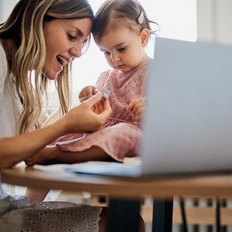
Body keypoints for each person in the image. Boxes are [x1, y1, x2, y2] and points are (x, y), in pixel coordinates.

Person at [0, 0, 146, 232]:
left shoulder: (14, 80)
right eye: (72, 36)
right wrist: (66, 125)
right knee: (125, 229)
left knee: (129, 226)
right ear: (38, 17)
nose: (78, 52)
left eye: (82, 43)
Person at [25, 0, 158, 166]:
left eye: (121, 49)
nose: (114, 59)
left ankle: (54, 154)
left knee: (121, 133)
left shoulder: (157, 73)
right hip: (101, 130)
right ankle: (44, 158)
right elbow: (98, 108)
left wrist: (153, 109)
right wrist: (91, 97)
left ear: (143, 38)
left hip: (134, 134)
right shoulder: (107, 76)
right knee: (69, 134)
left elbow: (176, 117)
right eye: (106, 52)